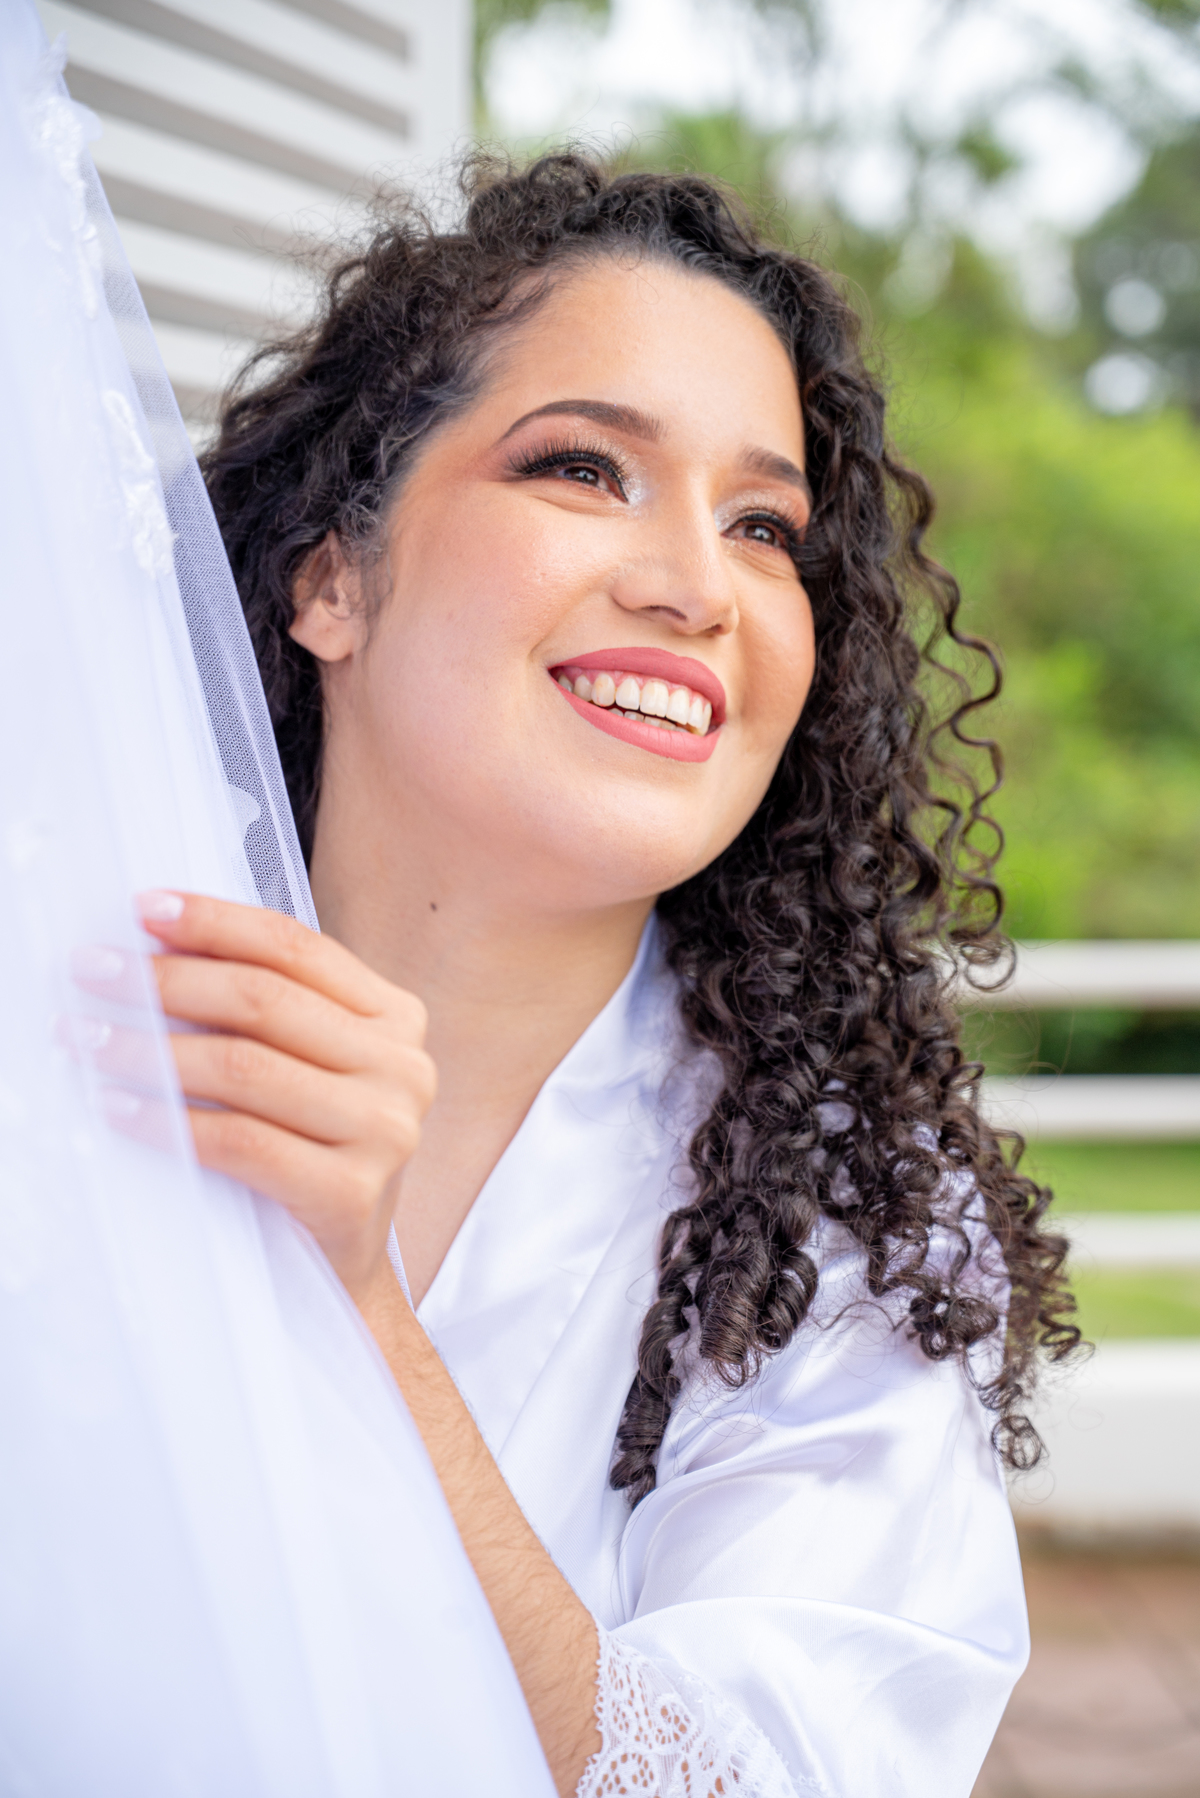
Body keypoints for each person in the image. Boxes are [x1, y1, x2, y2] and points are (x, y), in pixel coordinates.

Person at [105, 155, 1078, 1797]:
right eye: (584, 468)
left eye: (766, 525)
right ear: (327, 575)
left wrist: (356, 1310)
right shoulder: (69, 1027)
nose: (697, 585)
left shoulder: (851, 1222)